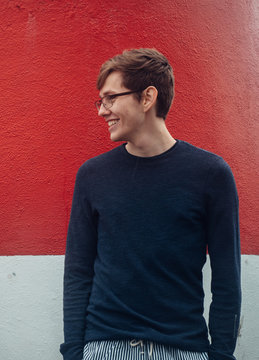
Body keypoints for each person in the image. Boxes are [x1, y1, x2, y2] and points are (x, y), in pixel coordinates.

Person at [60, 49, 241, 360]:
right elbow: (78, 273)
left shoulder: (211, 174)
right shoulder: (92, 175)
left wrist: (221, 355)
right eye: (101, 101)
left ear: (147, 98)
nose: (102, 111)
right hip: (105, 348)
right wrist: (74, 353)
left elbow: (227, 279)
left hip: (184, 349)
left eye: (111, 98)